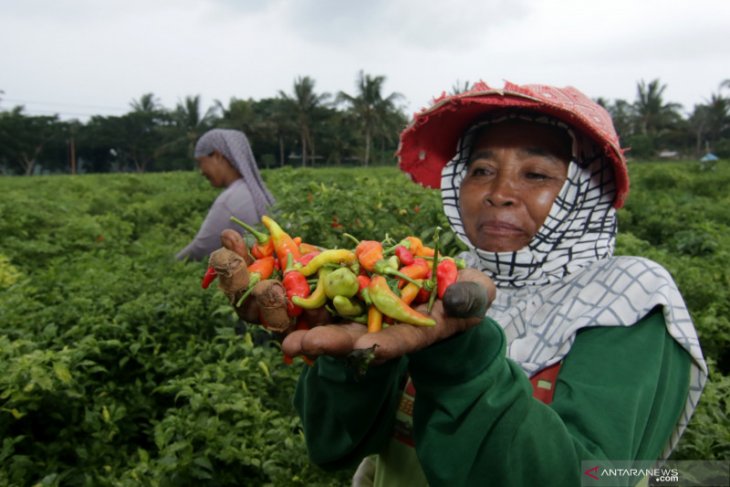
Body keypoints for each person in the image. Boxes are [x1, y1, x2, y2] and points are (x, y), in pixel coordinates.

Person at [278, 82, 707, 486]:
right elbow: (333, 446)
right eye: (481, 169)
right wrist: (348, 365)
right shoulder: (434, 281)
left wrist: (458, 353)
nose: (498, 192)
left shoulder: (629, 297)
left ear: (586, 191)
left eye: (537, 174)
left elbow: (589, 475)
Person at [176, 128, 275, 261]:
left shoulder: (230, 200)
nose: (201, 171)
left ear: (217, 156)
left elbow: (199, 250)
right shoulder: (259, 191)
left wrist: (169, 264)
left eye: (201, 163)